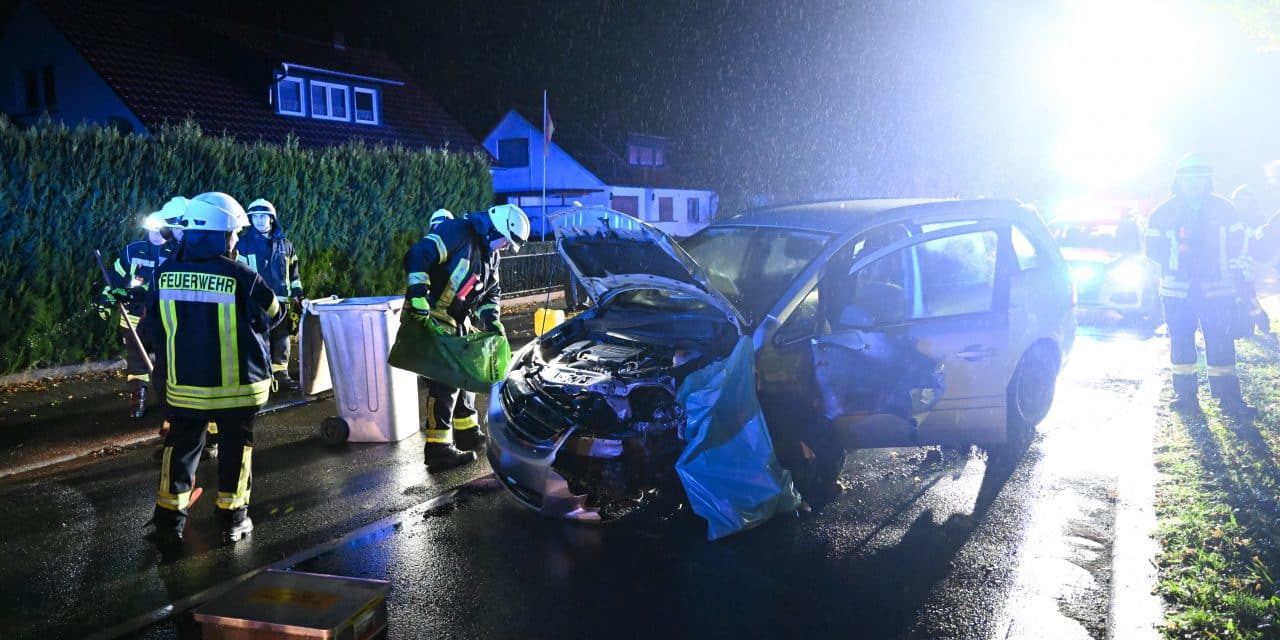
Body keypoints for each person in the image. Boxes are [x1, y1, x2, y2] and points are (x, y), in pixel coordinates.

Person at [142, 192, 286, 549]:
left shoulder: (163, 274)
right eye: (234, 234)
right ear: (222, 235)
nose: (237, 240)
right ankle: (232, 519)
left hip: (185, 388)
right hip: (237, 388)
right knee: (237, 451)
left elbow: (150, 330)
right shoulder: (242, 275)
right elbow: (276, 315)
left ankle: (169, 522)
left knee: (181, 449)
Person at [403, 204, 530, 472]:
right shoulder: (457, 231)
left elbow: (491, 291)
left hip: (458, 319)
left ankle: (466, 432)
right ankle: (437, 449)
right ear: (495, 228)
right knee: (445, 381)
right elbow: (418, 255)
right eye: (506, 242)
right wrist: (417, 296)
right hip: (431, 315)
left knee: (468, 373)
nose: (505, 248)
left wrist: (492, 320)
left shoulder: (489, 253)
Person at [1145, 154, 1257, 416]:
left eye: (1199, 179)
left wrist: (1235, 280)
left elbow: (1238, 247)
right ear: (1178, 181)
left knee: (1220, 342)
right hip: (1177, 291)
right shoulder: (1163, 213)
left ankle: (1229, 398)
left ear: (1208, 181)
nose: (1194, 184)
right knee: (1181, 343)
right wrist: (1179, 264)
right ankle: (1185, 398)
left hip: (1217, 290)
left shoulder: (1224, 210)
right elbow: (1152, 250)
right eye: (1188, 179)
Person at [96, 197, 188, 418]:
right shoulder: (133, 251)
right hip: (134, 317)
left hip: (164, 318)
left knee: (169, 361)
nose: (155, 235)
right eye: (150, 231)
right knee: (137, 361)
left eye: (159, 231)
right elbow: (115, 278)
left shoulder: (177, 253)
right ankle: (138, 397)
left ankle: (173, 401)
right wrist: (105, 301)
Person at [236, 199, 305, 391]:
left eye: (263, 216)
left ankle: (281, 375)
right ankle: (261, 378)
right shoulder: (243, 245)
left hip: (282, 302)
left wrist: (298, 295)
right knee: (260, 339)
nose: (259, 220)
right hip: (256, 303)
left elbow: (294, 274)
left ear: (272, 219)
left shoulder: (286, 245)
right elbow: (240, 274)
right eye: (255, 217)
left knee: (281, 339)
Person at [1230, 185, 1271, 336]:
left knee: (1246, 296)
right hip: (1233, 265)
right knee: (1239, 297)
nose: (1238, 204)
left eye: (1242, 201)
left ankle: (1260, 323)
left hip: (1248, 266)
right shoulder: (1232, 219)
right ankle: (1245, 328)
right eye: (1237, 201)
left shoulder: (1258, 221)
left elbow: (1261, 246)